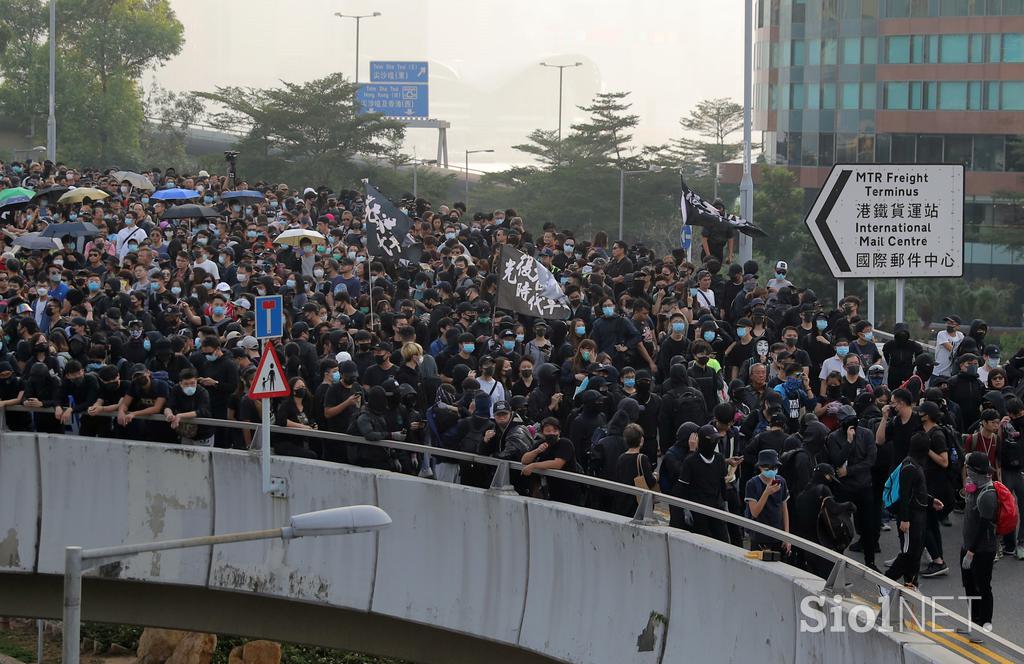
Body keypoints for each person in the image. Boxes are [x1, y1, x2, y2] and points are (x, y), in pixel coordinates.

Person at [884, 433, 945, 590]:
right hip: (910, 517)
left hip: (919, 515)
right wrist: (904, 519)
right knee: (908, 553)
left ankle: (911, 584)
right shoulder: (910, 467)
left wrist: (931, 501)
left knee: (916, 552)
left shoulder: (914, 463)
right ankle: (885, 581)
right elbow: (905, 495)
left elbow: (916, 491)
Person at [959, 452, 999, 640]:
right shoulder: (973, 487)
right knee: (969, 585)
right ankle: (973, 622)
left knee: (983, 587)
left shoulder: (988, 495)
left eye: (968, 467)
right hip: (968, 546)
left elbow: (983, 527)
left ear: (974, 471)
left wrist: (971, 553)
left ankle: (984, 627)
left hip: (982, 550)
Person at [675, 424, 729, 542]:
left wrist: (725, 504)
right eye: (712, 440)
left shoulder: (719, 458)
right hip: (698, 510)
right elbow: (683, 488)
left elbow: (722, 484)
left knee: (724, 542)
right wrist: (686, 509)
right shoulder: (690, 461)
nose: (714, 443)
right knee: (701, 543)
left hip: (717, 508)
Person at [744, 448, 791, 554]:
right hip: (760, 535)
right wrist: (766, 493)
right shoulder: (752, 484)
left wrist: (786, 536)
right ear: (760, 467)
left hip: (778, 534)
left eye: (774, 467)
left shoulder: (781, 481)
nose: (771, 470)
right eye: (768, 467)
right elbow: (754, 512)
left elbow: (784, 509)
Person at [610, 423, 657, 517]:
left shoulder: (621, 458)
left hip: (623, 502)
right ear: (641, 440)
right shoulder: (642, 458)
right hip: (637, 503)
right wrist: (655, 476)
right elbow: (650, 481)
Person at [163, 368, 213, 446]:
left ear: (196, 381)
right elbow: (169, 406)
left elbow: (202, 411)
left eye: (192, 383)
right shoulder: (176, 389)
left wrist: (180, 416)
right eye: (186, 384)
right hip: (185, 433)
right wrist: (169, 414)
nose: (190, 386)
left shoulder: (203, 392)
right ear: (180, 383)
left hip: (203, 433)